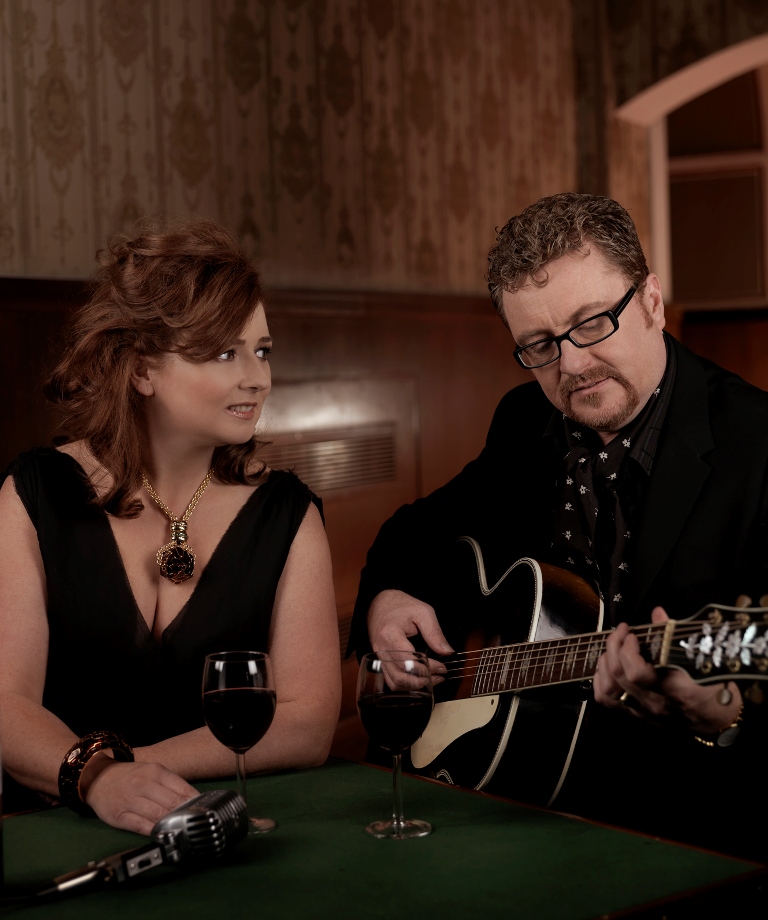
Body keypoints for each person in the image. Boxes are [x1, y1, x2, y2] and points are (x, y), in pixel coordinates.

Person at [350, 192, 768, 860]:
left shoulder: (757, 445)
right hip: (515, 808)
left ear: (651, 302)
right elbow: (412, 532)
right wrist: (387, 599)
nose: (571, 366)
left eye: (592, 323)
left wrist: (725, 717)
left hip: (697, 833)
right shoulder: (525, 421)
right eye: (539, 346)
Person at [0, 220, 341, 835]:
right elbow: (6, 702)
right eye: (224, 353)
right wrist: (93, 782)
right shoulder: (34, 494)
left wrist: (122, 772)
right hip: (49, 829)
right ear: (141, 371)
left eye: (262, 351)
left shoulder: (288, 513)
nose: (257, 378)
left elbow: (306, 725)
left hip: (221, 824)